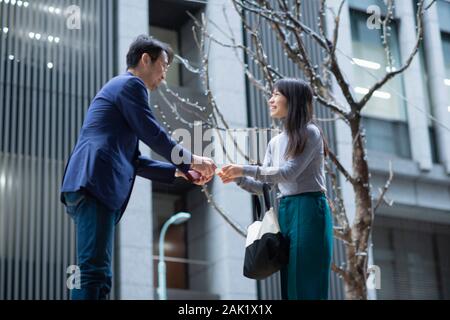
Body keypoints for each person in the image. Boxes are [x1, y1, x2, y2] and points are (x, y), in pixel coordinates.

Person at [60, 35, 216, 300]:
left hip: (93, 184)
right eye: (164, 66)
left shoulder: (122, 90)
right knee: (93, 273)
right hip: (94, 182)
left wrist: (178, 171)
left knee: (99, 274)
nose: (164, 76)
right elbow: (152, 133)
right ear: (146, 59)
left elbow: (134, 160)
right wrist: (191, 159)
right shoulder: (131, 85)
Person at [217, 78, 333, 300]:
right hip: (286, 209)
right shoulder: (275, 142)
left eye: (276, 94)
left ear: (294, 100)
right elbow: (263, 186)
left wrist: (243, 169)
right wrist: (236, 178)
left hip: (310, 208)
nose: (270, 99)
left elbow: (288, 173)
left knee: (306, 281)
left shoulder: (311, 133)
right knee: (290, 283)